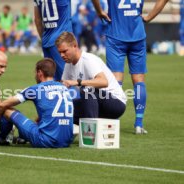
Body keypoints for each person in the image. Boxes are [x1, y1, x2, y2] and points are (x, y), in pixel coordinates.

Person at [91, 0, 169, 134]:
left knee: (115, 81)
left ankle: (111, 123)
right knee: (139, 80)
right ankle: (139, 124)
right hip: (137, 34)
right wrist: (150, 16)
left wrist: (99, 11)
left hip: (116, 35)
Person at [0, 58, 74, 148]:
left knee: (7, 110)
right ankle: (22, 137)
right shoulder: (64, 87)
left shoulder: (35, 89)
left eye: (35, 73)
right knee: (37, 123)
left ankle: (1, 139)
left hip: (46, 141)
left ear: (39, 73)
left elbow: (4, 104)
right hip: (67, 141)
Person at [55, 32, 126, 124]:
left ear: (75, 46)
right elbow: (63, 88)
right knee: (64, 110)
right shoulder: (68, 64)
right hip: (94, 103)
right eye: (60, 52)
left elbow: (104, 82)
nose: (62, 55)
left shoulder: (88, 60)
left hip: (116, 104)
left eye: (64, 51)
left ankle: (91, 133)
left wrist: (77, 82)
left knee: (87, 91)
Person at [34, 0, 73, 81]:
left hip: (46, 40)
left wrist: (43, 38)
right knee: (68, 79)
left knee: (50, 80)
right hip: (62, 41)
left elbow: (37, 20)